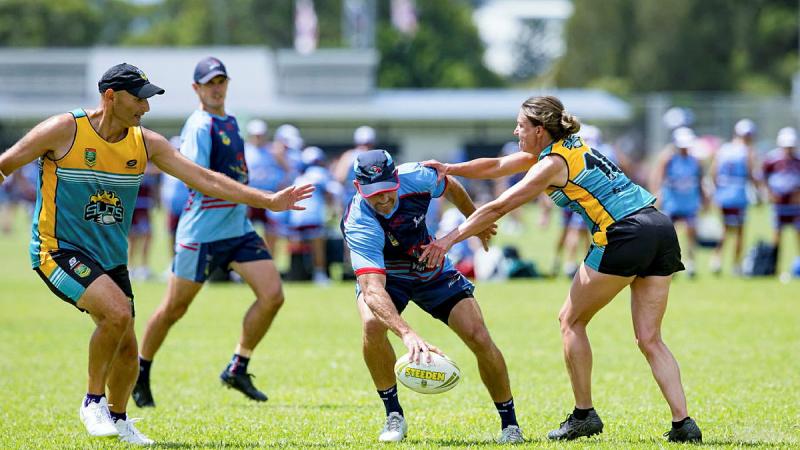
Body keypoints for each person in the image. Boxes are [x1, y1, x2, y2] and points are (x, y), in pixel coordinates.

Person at [0, 63, 312, 445]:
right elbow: (5, 165)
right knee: (116, 314)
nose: (145, 109)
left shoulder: (146, 143)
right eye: (139, 100)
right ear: (110, 97)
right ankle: (92, 402)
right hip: (58, 249)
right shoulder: (65, 129)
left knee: (128, 345)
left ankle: (119, 417)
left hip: (111, 258)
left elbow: (207, 179)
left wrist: (269, 200)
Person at [421, 95, 701, 443]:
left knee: (570, 320)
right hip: (659, 227)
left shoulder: (551, 165)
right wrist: (450, 169)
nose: (515, 130)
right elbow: (496, 166)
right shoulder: (568, 146)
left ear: (539, 130)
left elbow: (499, 206)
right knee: (650, 338)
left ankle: (584, 415)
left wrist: (446, 241)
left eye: (521, 126)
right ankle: (683, 423)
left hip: (624, 233)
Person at [132, 57, 313, 409]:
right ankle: (140, 370)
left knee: (273, 295)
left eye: (221, 81)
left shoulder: (230, 121)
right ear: (196, 89)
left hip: (237, 227)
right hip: (201, 231)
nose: (216, 88)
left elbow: (233, 175)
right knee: (174, 309)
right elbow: (203, 180)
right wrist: (265, 198)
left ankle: (237, 367)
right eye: (209, 82)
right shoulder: (199, 125)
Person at [340, 149, 524, 444]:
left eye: (388, 191)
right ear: (358, 188)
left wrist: (474, 218)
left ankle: (510, 424)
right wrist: (407, 334)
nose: (383, 199)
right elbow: (373, 289)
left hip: (430, 265)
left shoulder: (418, 176)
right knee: (372, 325)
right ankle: (393, 414)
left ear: (396, 179)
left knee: (478, 335)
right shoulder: (359, 220)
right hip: (390, 276)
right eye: (374, 194)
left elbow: (449, 185)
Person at [651, 127, 706, 277]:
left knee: (691, 232)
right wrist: (656, 196)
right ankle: (670, 263)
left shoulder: (695, 161)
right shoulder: (668, 160)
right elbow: (658, 179)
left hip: (689, 202)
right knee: (669, 235)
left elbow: (700, 181)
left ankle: (691, 262)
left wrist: (705, 199)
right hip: (672, 203)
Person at [708, 120, 758, 275]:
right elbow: (751, 174)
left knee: (725, 229)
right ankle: (736, 264)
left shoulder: (724, 149)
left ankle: (717, 259)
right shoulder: (747, 151)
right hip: (738, 195)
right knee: (739, 231)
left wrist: (717, 191)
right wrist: (759, 192)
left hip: (723, 194)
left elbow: (713, 172)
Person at [287, 146, 342, 285]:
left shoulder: (298, 177)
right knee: (318, 248)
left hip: (296, 217)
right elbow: (332, 192)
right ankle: (319, 275)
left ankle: (295, 275)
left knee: (297, 248)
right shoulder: (320, 173)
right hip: (313, 216)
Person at [762, 127, 800, 273]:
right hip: (779, 204)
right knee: (777, 236)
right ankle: (774, 267)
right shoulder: (772, 160)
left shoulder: (798, 160)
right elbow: (763, 178)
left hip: (796, 205)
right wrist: (769, 193)